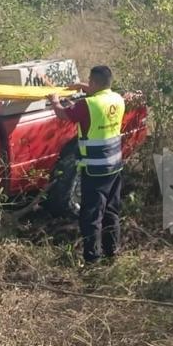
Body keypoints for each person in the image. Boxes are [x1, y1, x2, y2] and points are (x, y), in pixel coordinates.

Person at [48, 65, 126, 264]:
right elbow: (98, 91)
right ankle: (113, 251)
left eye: (88, 81)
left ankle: (92, 260)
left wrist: (54, 100)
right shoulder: (117, 98)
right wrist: (80, 85)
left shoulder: (87, 105)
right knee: (111, 210)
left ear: (93, 82)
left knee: (91, 215)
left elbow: (62, 114)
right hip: (115, 166)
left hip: (95, 168)